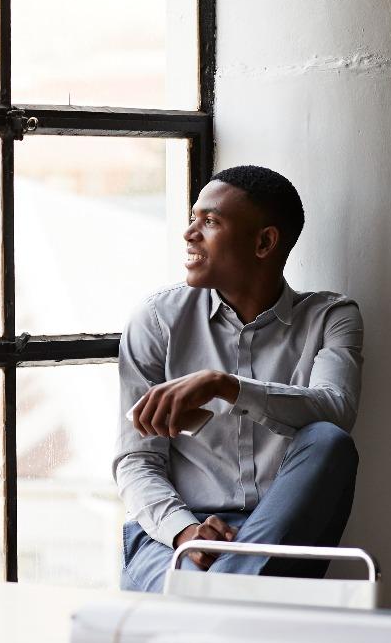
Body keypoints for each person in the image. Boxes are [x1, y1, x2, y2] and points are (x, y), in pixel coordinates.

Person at [115, 165, 363, 593]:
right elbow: (136, 460)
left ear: (265, 242)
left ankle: (226, 593)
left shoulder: (330, 317)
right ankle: (235, 593)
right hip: (172, 532)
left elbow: (336, 408)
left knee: (328, 442)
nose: (190, 233)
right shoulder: (157, 320)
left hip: (280, 534)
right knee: (211, 598)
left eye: (210, 222)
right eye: (193, 219)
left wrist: (225, 385)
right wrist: (185, 532)